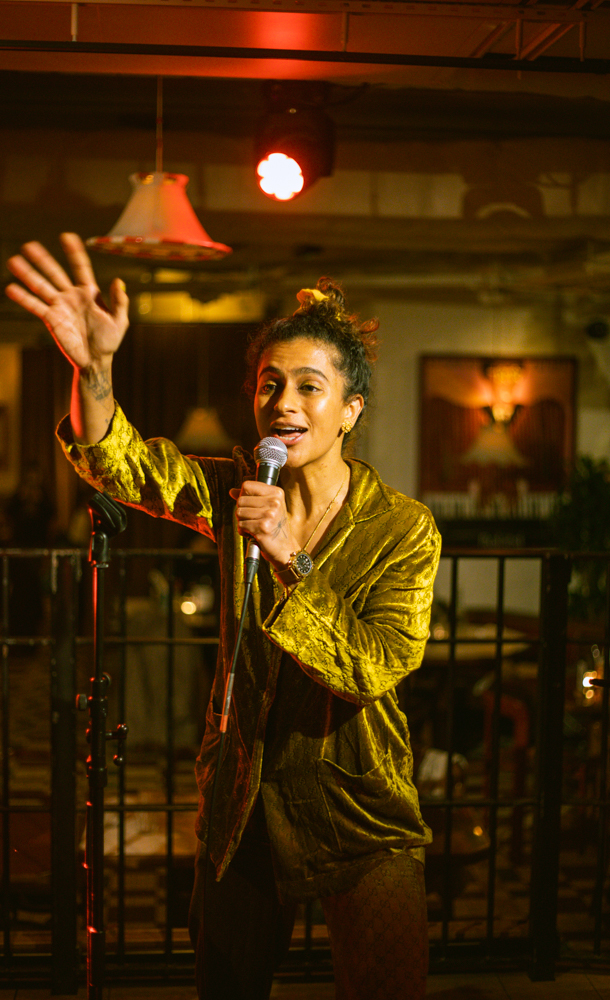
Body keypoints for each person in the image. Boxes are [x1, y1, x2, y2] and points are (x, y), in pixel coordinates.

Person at [6, 234, 441, 1000]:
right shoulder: (235, 488)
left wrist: (287, 556)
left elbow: (373, 665)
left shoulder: (401, 528)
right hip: (244, 800)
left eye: (309, 386)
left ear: (350, 410)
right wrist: (93, 369)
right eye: (270, 384)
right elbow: (122, 464)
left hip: (360, 805)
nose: (283, 402)